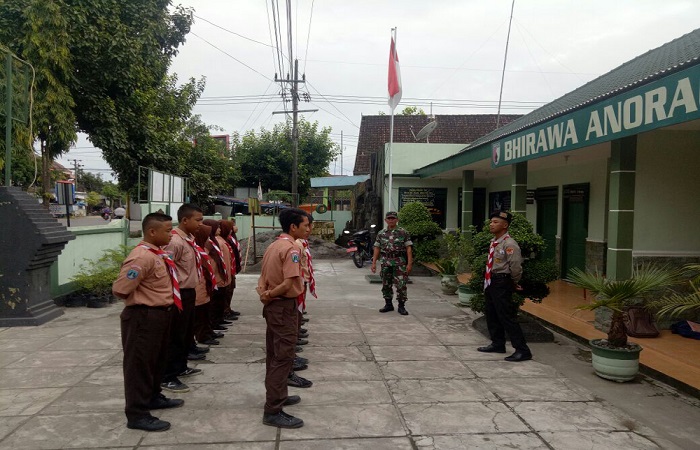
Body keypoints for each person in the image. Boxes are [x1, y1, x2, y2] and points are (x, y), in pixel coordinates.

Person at [113, 212, 184, 432]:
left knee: (156, 360)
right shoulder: (142, 257)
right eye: (167, 230)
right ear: (152, 231)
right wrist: (144, 302)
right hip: (143, 316)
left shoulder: (158, 254)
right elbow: (121, 289)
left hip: (161, 314)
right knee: (139, 365)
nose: (171, 234)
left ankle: (153, 396)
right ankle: (137, 414)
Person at [256, 207, 310, 429]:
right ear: (293, 227)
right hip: (282, 306)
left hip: (274, 306)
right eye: (306, 225)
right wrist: (269, 294)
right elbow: (288, 283)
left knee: (274, 354)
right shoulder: (290, 249)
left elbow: (263, 276)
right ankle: (273, 409)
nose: (309, 229)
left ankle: (278, 394)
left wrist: (264, 293)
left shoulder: (274, 245)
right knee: (283, 356)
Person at [477, 210, 532, 362]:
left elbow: (515, 266)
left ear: (505, 225)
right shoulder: (494, 241)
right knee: (492, 313)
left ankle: (522, 350)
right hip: (491, 281)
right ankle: (498, 343)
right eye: (491, 222)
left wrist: (514, 281)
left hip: (502, 281)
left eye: (495, 222)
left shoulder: (509, 244)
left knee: (506, 316)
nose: (491, 225)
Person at [162, 204, 203, 393]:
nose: (200, 224)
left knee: (186, 333)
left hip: (189, 292)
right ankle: (167, 376)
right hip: (178, 294)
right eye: (198, 220)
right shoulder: (175, 242)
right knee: (175, 335)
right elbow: (166, 269)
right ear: (185, 220)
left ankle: (180, 366)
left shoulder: (189, 239)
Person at [371, 211, 413, 315]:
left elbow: (409, 249)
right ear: (385, 220)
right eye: (389, 218)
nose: (391, 220)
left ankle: (401, 306)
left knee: (401, 284)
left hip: (399, 262)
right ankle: (388, 304)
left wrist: (409, 263)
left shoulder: (403, 232)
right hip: (386, 262)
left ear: (397, 220)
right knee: (386, 284)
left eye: (393, 218)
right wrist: (374, 263)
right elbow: (377, 248)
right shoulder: (381, 233)